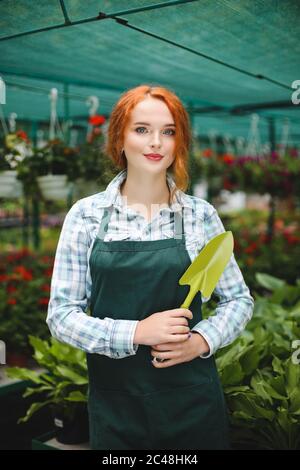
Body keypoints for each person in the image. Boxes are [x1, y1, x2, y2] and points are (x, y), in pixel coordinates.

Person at [47, 84, 254, 450]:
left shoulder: (199, 215)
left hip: (191, 400)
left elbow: (237, 299)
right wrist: (136, 332)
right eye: (141, 129)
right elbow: (61, 316)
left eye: (168, 131)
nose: (156, 141)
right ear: (119, 139)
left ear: (179, 143)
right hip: (117, 405)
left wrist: (201, 341)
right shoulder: (86, 215)